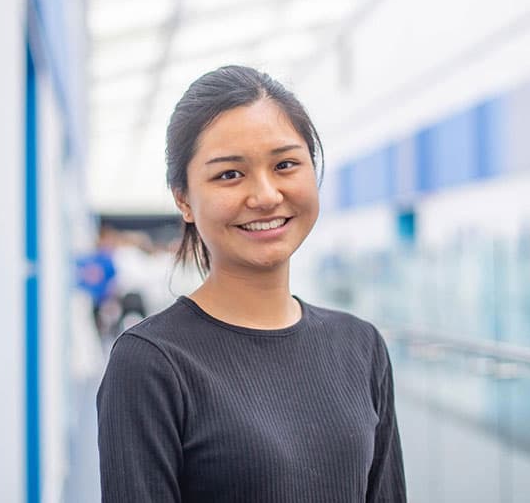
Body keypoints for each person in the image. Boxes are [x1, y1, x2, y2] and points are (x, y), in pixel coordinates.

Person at [96, 65, 407, 502]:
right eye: (230, 174)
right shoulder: (152, 364)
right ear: (183, 199)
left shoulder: (361, 345)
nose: (265, 196)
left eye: (285, 165)